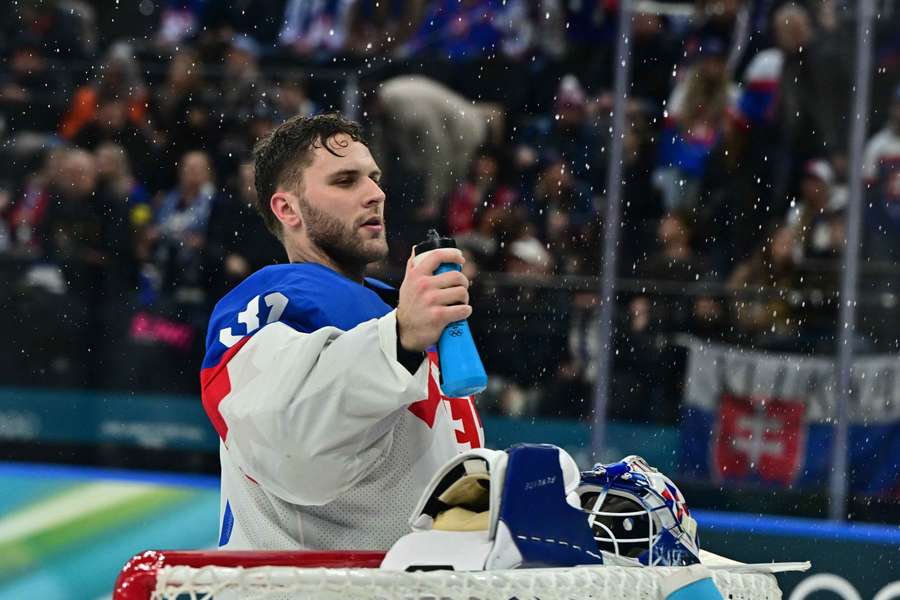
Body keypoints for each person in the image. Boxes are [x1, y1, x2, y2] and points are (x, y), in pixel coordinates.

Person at [201, 113, 483, 551]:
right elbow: (294, 450)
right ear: (287, 208)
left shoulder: (395, 310)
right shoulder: (270, 303)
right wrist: (400, 337)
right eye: (346, 181)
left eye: (374, 177)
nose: (375, 194)